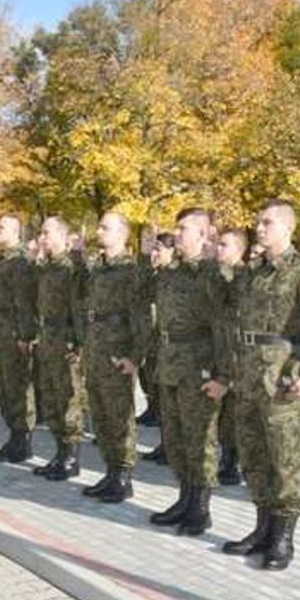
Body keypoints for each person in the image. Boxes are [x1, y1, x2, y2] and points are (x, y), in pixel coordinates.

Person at [221, 200, 300, 570]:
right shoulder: (252, 273)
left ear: (287, 229)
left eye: (267, 222)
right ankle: (262, 528)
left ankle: (284, 538)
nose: (259, 228)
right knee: (254, 457)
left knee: (285, 461)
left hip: (281, 381)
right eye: (258, 222)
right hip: (249, 378)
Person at [147, 209, 230, 535]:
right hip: (170, 361)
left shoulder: (213, 275)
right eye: (177, 228)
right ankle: (185, 497)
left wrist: (224, 375)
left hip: (199, 364)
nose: (177, 233)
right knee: (176, 437)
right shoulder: (171, 272)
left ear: (204, 235)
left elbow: (224, 327)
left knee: (200, 439)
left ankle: (201, 508)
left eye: (184, 229)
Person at [81, 211, 150, 503]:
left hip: (117, 351)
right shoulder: (99, 268)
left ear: (122, 233)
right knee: (99, 412)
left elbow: (142, 318)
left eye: (105, 228)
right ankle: (110, 470)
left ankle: (123, 475)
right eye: (100, 227)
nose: (99, 232)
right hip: (96, 348)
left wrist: (135, 357)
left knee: (120, 415)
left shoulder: (130, 271)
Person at [32, 216, 87, 481]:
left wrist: (79, 342)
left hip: (65, 336)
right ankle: (59, 452)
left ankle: (72, 458)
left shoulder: (70, 268)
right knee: (51, 398)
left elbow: (79, 306)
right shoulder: (46, 267)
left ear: (64, 237)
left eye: (47, 233)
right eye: (41, 233)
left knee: (69, 399)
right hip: (47, 337)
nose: (43, 238)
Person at [0, 215, 39, 463]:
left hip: (13, 332)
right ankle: (14, 436)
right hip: (0, 330)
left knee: (17, 386)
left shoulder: (19, 262)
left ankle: (23, 440)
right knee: (4, 386)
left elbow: (24, 301)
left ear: (16, 231)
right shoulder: (2, 260)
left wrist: (24, 335)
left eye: (1, 227)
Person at [214, 227, 248, 486]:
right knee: (224, 412)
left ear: (239, 249)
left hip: (238, 353)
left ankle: (234, 462)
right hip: (219, 349)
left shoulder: (244, 275)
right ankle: (226, 457)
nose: (218, 249)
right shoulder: (218, 273)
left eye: (223, 245)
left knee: (236, 411)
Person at [137, 233, 174, 433]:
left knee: (166, 394)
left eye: (158, 249)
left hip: (168, 342)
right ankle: (163, 438)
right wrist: (145, 261)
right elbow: (140, 291)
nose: (155, 253)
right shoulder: (156, 275)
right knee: (151, 382)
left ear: (172, 251)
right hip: (153, 337)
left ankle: (168, 442)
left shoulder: (175, 276)